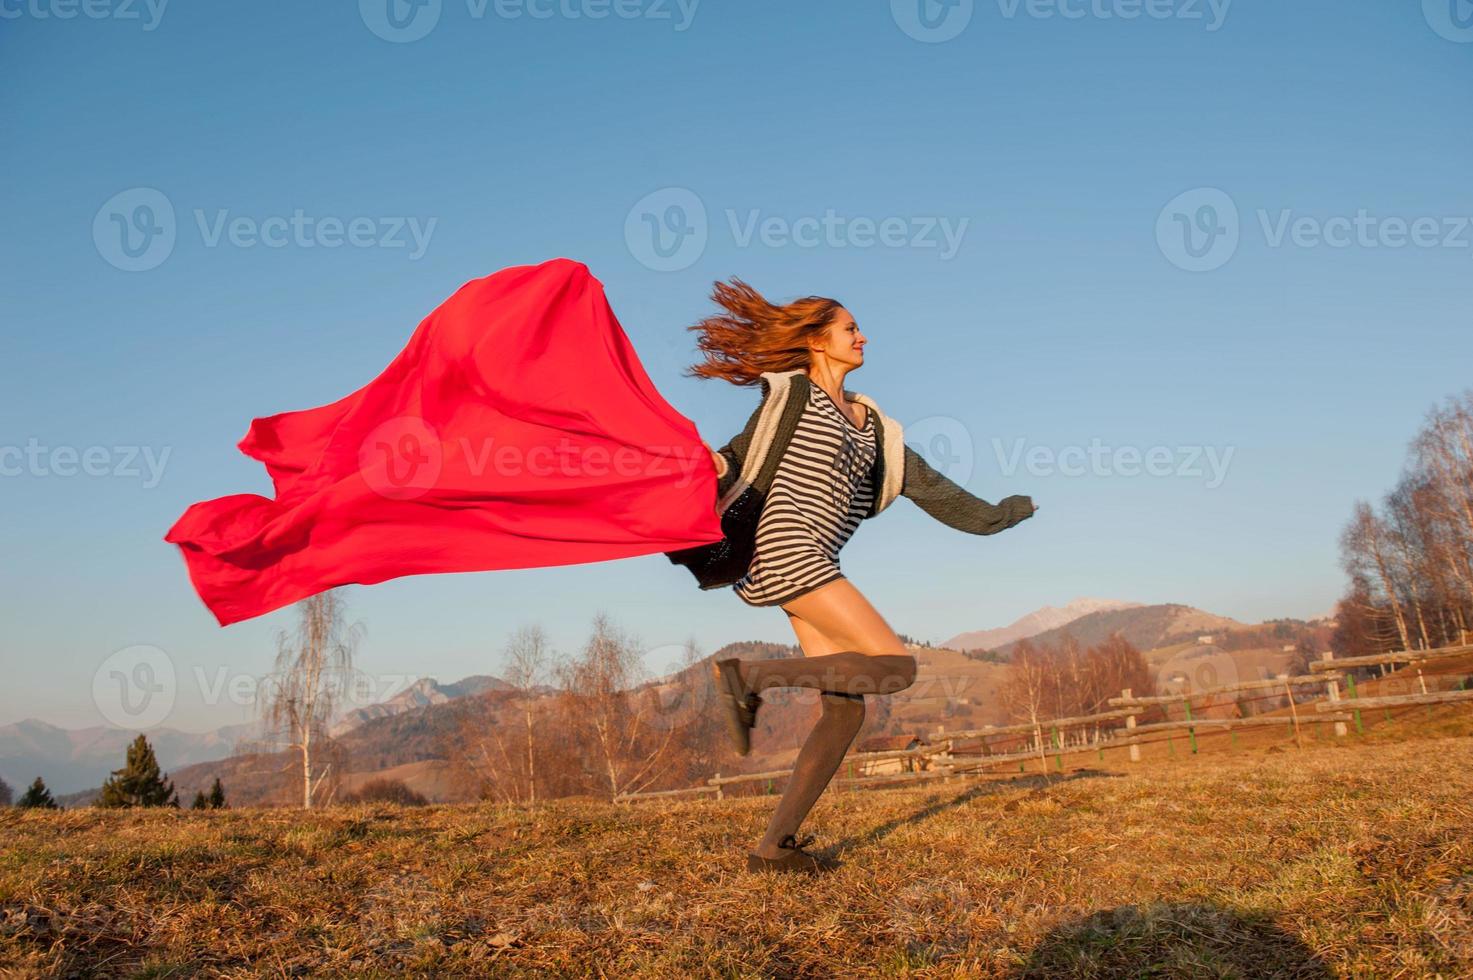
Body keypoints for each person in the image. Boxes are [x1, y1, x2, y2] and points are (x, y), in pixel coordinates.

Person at [664, 277, 1039, 875]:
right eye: (849, 329)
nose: (862, 336)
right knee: (896, 665)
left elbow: (934, 490)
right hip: (786, 552)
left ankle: (774, 847)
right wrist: (701, 466)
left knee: (846, 710)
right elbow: (738, 458)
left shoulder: (873, 427)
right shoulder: (791, 399)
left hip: (817, 560)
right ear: (816, 340)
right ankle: (749, 676)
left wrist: (998, 517)